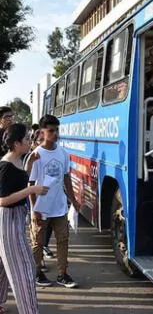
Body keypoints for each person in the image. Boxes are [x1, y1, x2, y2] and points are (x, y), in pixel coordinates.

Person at [0, 123, 49, 313]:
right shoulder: (5, 166)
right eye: (27, 139)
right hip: (8, 221)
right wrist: (31, 189)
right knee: (24, 269)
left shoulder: (18, 160)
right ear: (17, 143)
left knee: (4, 267)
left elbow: (19, 179)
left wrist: (29, 165)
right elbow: (3, 200)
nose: (31, 141)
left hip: (15, 219)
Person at [26, 114, 80, 288]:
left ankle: (63, 274)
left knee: (63, 240)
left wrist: (73, 199)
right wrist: (35, 209)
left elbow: (66, 179)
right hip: (41, 207)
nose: (55, 133)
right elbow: (31, 184)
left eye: (57, 130)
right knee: (38, 241)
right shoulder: (36, 155)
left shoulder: (63, 153)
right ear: (42, 132)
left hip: (60, 207)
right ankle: (37, 272)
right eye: (51, 131)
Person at [23, 128, 55, 267]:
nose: (44, 143)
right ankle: (38, 259)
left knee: (47, 227)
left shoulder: (51, 156)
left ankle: (43, 248)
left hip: (48, 198)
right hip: (33, 199)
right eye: (40, 141)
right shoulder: (30, 157)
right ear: (34, 143)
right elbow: (26, 180)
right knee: (36, 229)